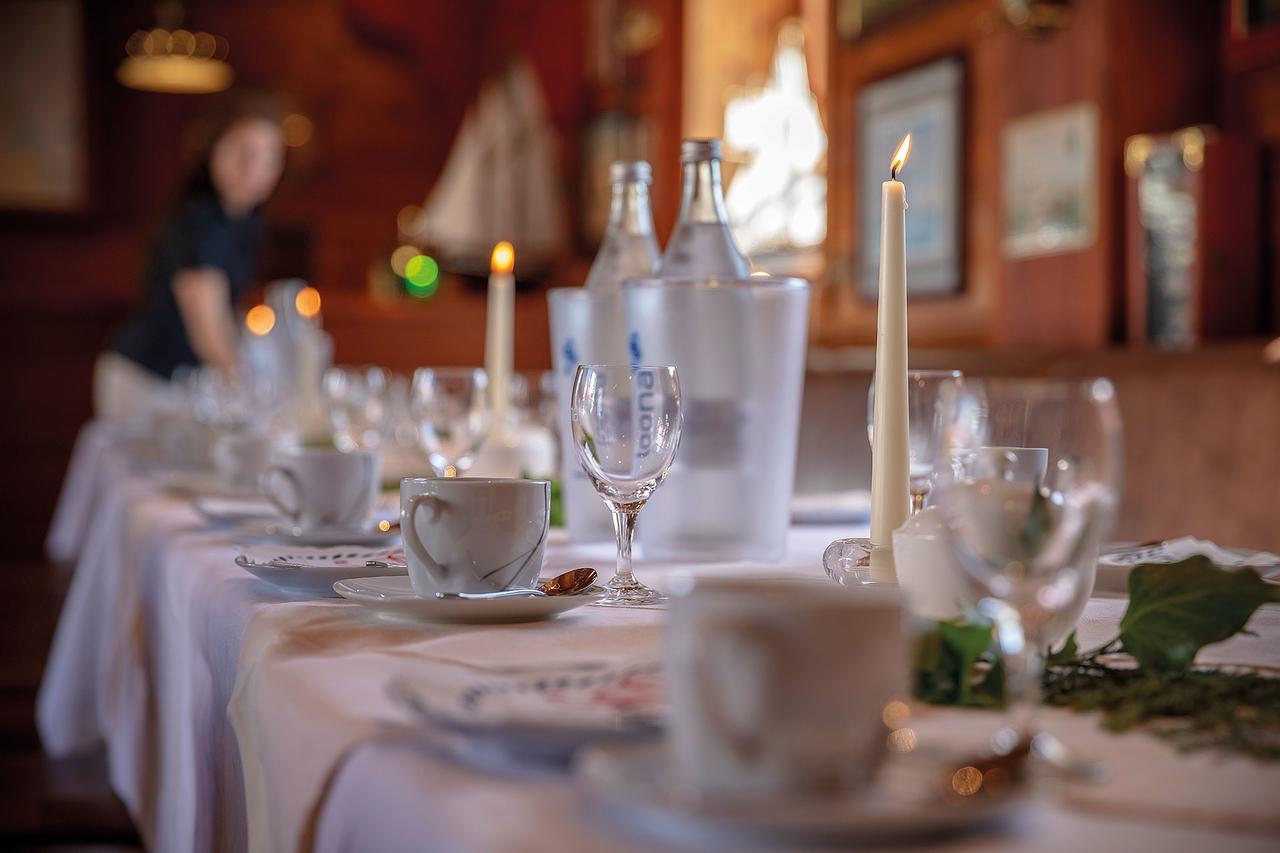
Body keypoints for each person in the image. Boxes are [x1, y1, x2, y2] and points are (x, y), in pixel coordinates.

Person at [96, 91, 287, 427]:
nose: (255, 169)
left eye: (270, 157)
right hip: (147, 382)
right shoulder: (200, 221)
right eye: (243, 152)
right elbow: (208, 329)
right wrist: (255, 396)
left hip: (181, 382)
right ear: (213, 149)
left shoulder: (244, 219)